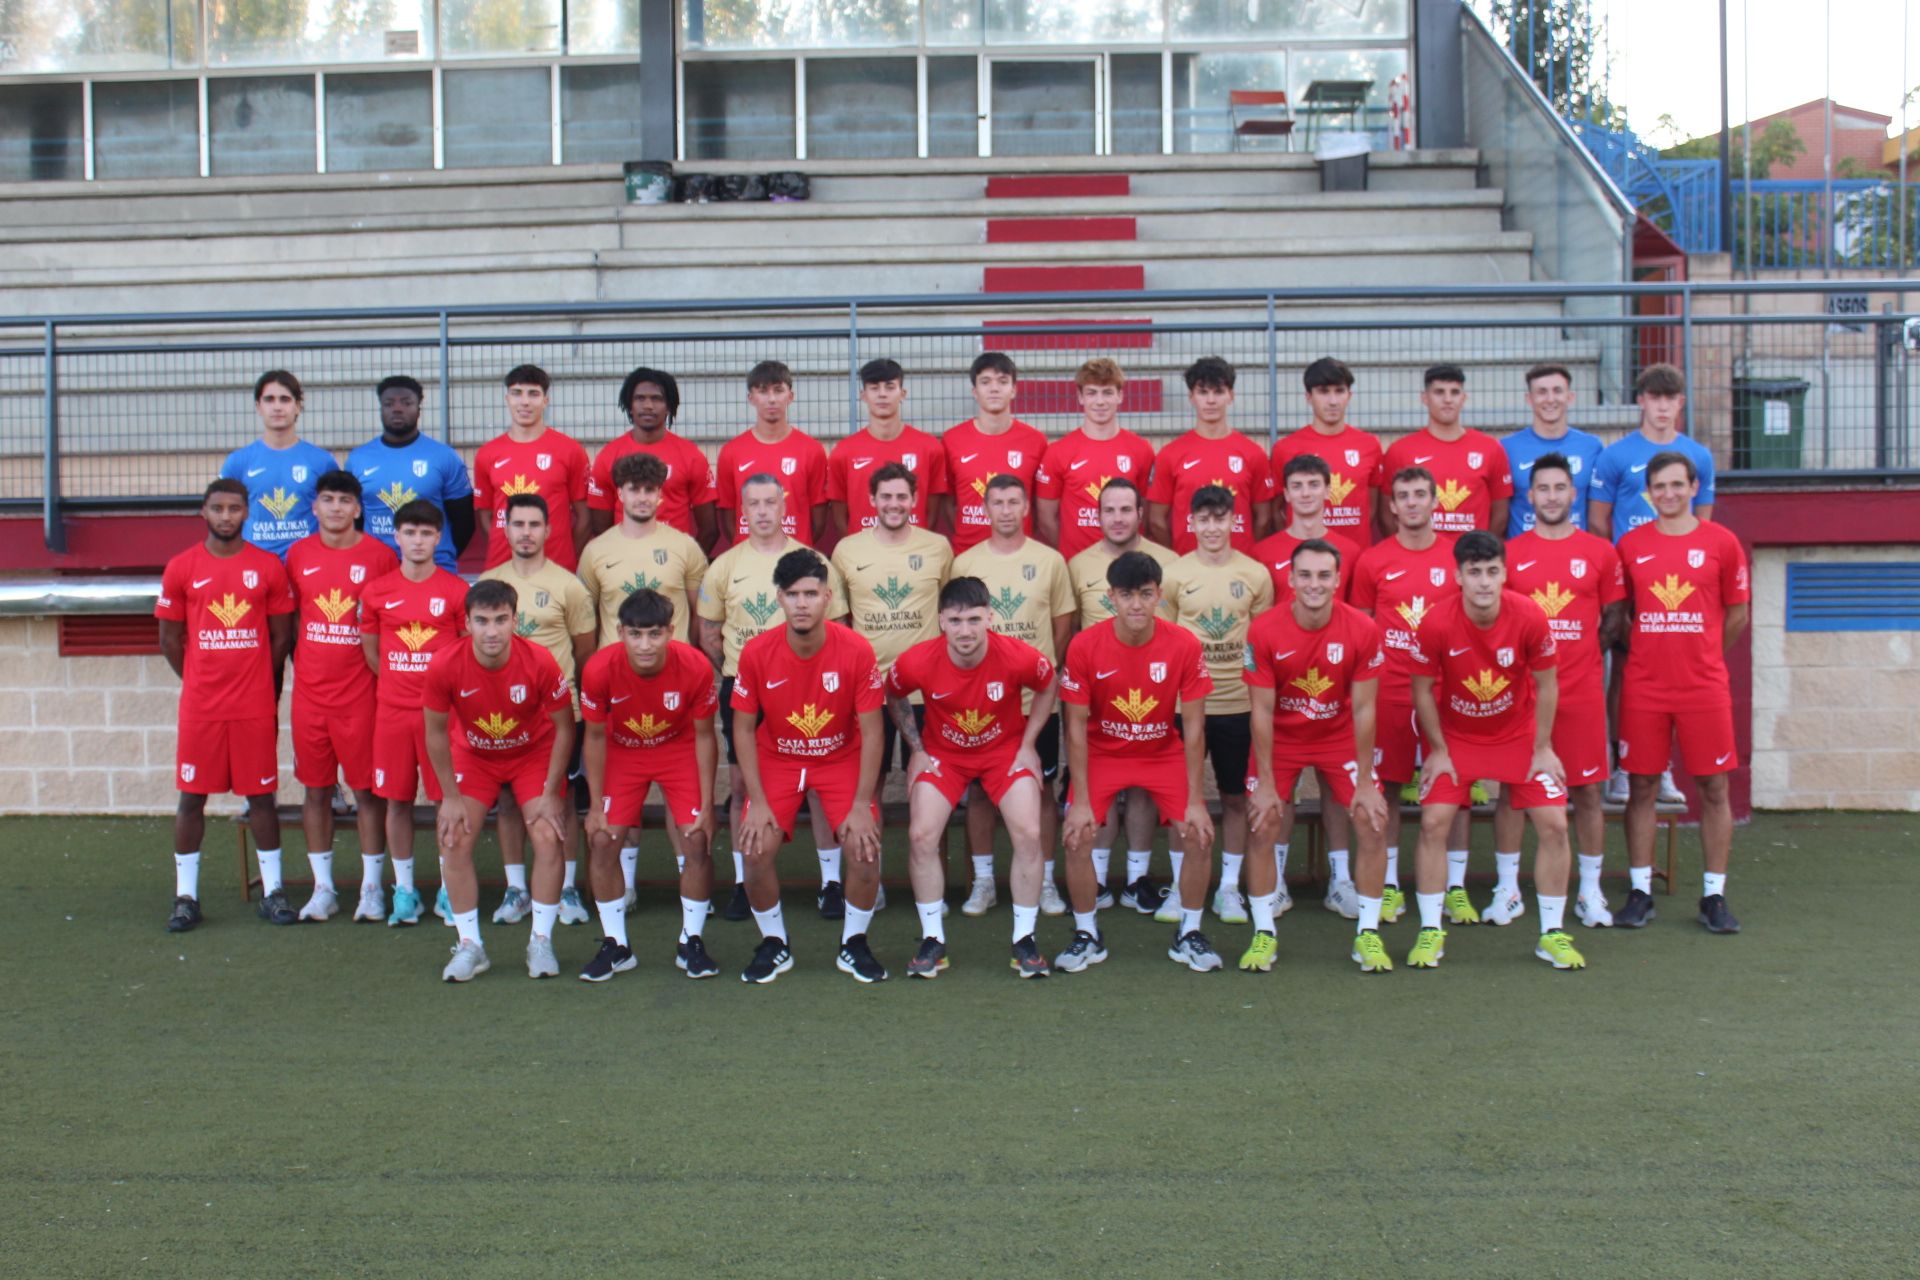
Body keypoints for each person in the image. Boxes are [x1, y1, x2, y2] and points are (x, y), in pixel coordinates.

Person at [1408, 531, 1585, 971]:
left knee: (1555, 824)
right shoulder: (1435, 622)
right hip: (1458, 739)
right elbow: (1422, 690)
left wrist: (1543, 748)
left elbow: (1547, 684)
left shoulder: (1529, 616)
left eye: (1492, 572)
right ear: (1458, 577)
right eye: (1474, 573)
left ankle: (1552, 934)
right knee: (1433, 822)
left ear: (1505, 574)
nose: (1484, 582)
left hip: (1518, 736)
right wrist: (1438, 750)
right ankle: (1431, 931)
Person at [885, 578, 1059, 979]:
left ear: (990, 618)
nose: (965, 630)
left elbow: (1049, 686)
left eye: (974, 619)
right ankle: (932, 941)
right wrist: (917, 750)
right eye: (956, 620)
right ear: (942, 621)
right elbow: (893, 693)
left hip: (1003, 753)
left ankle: (1025, 940)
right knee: (921, 836)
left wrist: (1029, 744)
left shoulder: (1016, 656)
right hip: (945, 756)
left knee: (1029, 833)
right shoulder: (917, 660)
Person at [1056, 551, 1217, 974]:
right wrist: (1083, 802)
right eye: (1126, 595)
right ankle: (1088, 933)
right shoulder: (1085, 645)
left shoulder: (1183, 644)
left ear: (1159, 595)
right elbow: (1074, 728)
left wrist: (1197, 800)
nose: (1136, 605)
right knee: (1076, 833)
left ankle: (1190, 933)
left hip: (1162, 752)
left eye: (1145, 595)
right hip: (1104, 753)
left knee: (1199, 833)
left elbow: (1196, 730)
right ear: (1110, 597)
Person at [697, 475, 848, 923]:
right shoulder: (724, 565)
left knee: (819, 785)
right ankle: (745, 882)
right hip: (745, 688)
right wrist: (752, 670)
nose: (762, 511)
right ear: (741, 511)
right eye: (753, 504)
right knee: (742, 784)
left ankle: (831, 884)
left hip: (809, 687)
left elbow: (837, 626)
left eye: (770, 502)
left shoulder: (814, 561)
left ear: (785, 506)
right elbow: (709, 632)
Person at [732, 550, 886, 984]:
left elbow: (873, 731)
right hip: (779, 757)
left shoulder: (856, 649)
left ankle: (853, 944)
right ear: (779, 599)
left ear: (828, 598)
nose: (802, 603)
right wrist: (756, 801)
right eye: (793, 594)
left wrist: (861, 803)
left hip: (839, 757)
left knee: (864, 848)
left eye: (811, 594)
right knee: (755, 850)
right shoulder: (757, 652)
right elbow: (742, 730)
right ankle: (774, 943)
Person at [1614, 451, 1750, 934]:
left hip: (1704, 687)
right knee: (1642, 786)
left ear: (1694, 487)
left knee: (1714, 788)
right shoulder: (1630, 545)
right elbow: (1620, 615)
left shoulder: (1722, 543)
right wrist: (1651, 648)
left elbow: (1736, 614)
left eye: (1677, 485)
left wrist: (1704, 652)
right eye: (1659, 487)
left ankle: (1713, 894)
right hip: (1646, 687)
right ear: (1648, 493)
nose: (1668, 494)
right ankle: (1640, 890)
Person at [1244, 539, 1392, 972]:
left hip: (1337, 735)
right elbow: (1262, 711)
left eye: (1323, 575)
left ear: (1337, 579)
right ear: (1290, 580)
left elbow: (1365, 708)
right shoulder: (1265, 630)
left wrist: (1365, 782)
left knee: (1371, 819)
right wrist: (1267, 783)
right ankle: (1263, 933)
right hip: (1284, 736)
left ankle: (1367, 933)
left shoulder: (1363, 630)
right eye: (1305, 575)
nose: (1314, 584)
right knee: (1262, 822)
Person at [155, 479, 296, 932]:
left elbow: (280, 636)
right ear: (204, 512)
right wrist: (199, 678)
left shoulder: (267, 567)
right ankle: (186, 897)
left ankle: (273, 892)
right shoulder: (181, 567)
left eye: (234, 508)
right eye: (218, 508)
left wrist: (254, 677)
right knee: (191, 798)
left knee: (261, 798)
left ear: (247, 512)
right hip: (202, 707)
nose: (226, 515)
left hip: (253, 705)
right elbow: (170, 639)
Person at [422, 580, 576, 982]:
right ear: (467, 623)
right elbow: (435, 733)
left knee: (547, 835)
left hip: (531, 754)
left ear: (515, 620)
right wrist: (450, 797)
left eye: (501, 620)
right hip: (474, 756)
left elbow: (564, 728)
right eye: (482, 621)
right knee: (453, 836)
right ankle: (471, 945)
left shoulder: (539, 661)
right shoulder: (444, 663)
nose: (492, 631)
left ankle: (541, 941)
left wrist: (550, 792)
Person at [1499, 453, 1626, 928]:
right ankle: (1507, 890)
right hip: (1521, 698)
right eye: (1543, 489)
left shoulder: (1600, 551)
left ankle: (1589, 892)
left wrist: (1576, 661)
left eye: (1560, 488)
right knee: (1514, 792)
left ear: (1574, 495)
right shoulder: (1510, 553)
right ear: (1529, 497)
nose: (1552, 496)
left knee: (1588, 793)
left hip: (1581, 695)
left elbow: (1613, 621)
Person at [578, 589, 721, 982]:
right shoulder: (598, 669)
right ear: (619, 631)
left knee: (696, 839)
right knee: (604, 840)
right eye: (635, 634)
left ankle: (691, 941)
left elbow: (706, 737)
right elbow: (592, 738)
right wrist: (594, 806)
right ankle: (616, 945)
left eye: (654, 634)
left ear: (671, 631)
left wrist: (707, 805)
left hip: (677, 749)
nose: (645, 645)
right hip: (622, 750)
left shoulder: (695, 666)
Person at [951, 476, 1076, 918]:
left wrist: (1038, 669)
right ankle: (984, 881)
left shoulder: (1050, 561)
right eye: (997, 503)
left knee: (1041, 789)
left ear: (1026, 507)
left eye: (1013, 502)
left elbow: (1061, 627)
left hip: (1034, 704)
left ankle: (1043, 881)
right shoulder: (966, 562)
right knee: (981, 793)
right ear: (984, 509)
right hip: (982, 704)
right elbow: (957, 628)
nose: (1005, 510)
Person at [830, 462, 953, 913]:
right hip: (868, 696)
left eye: (903, 497)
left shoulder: (938, 547)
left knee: (930, 787)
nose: (895, 504)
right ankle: (871, 879)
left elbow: (948, 614)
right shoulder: (846, 550)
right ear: (872, 500)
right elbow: (841, 624)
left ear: (914, 500)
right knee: (869, 789)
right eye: (887, 497)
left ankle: (933, 888)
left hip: (926, 693)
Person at [1591, 362, 1714, 806]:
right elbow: (1599, 522)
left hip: (1679, 587)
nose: (1661, 407)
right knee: (1625, 671)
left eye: (1670, 399)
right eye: (1653, 398)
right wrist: (1619, 579)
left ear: (1680, 404)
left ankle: (1662, 768)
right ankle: (1624, 764)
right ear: (1641, 401)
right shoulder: (1616, 455)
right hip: (1632, 583)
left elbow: (1704, 527)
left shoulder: (1698, 456)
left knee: (1675, 673)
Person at [1348, 467, 1464, 927]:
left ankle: (1453, 886)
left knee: (1451, 787)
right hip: (1391, 690)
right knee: (1388, 787)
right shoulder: (1373, 561)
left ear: (1436, 502)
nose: (1412, 502)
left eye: (1421, 494)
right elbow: (1360, 629)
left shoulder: (1457, 558)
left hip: (1444, 691)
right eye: (1403, 496)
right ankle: (1390, 881)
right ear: (1391, 506)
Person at [1061, 476, 1179, 914]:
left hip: (1155, 698)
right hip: (1098, 699)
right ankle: (1096, 877)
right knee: (1096, 788)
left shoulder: (1168, 562)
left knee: (1145, 790)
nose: (1117, 518)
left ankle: (1137, 879)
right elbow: (1072, 631)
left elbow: (1175, 632)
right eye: (1108, 510)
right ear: (1097, 516)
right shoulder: (1076, 565)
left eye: (1125, 510)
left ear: (1139, 515)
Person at [284, 469, 397, 923]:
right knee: (315, 791)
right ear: (314, 506)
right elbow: (291, 622)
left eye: (343, 500)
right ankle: (324, 888)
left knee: (368, 792)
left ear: (357, 509)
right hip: (310, 696)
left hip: (361, 696)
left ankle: (372, 888)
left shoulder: (380, 556)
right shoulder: (296, 555)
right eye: (327, 499)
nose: (335, 507)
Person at [481, 493, 598, 930]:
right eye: (518, 524)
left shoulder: (568, 585)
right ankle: (517, 889)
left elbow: (584, 654)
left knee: (561, 799)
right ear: (505, 529)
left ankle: (566, 887)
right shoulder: (488, 584)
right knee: (508, 800)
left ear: (548, 531)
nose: (526, 533)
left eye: (535, 524)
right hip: (502, 718)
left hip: (557, 716)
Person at [1160, 485, 1274, 929]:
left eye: (1220, 519)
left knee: (1233, 797)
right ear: (1191, 523)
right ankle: (1177, 884)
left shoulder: (1255, 574)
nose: (1212, 528)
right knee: (1182, 798)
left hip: (1237, 705)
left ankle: (1228, 887)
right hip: (1185, 707)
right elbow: (1166, 646)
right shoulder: (1173, 575)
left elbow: (1261, 644)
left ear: (1234, 522)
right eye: (1203, 520)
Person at [358, 500, 468, 926]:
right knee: (396, 802)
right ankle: (404, 891)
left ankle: (446, 887)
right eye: (410, 533)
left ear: (438, 538)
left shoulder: (455, 590)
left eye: (426, 533)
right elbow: (372, 653)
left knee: (446, 801)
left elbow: (463, 652)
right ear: (397, 536)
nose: (418, 541)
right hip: (392, 714)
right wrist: (400, 682)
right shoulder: (377, 591)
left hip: (441, 718)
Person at [346, 375, 476, 572]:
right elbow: (354, 520)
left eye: (406, 403)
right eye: (389, 403)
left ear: (419, 409)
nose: (397, 408)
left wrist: (438, 555)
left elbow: (464, 520)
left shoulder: (444, 456)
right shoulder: (358, 459)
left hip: (434, 567)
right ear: (381, 408)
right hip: (376, 569)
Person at [1146, 356, 1276, 555]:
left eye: (1219, 392)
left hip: (1239, 567)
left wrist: (1246, 553)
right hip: (1188, 568)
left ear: (1231, 396)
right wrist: (1179, 557)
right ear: (1191, 396)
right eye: (1203, 392)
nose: (1211, 400)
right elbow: (1156, 520)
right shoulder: (1170, 454)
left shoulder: (1253, 453)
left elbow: (1264, 518)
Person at [578, 452, 709, 647]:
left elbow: (703, 614)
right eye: (634, 490)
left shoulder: (685, 546)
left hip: (672, 666)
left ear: (659, 494)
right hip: (616, 668)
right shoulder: (595, 551)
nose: (642, 498)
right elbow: (586, 620)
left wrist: (686, 656)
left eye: (649, 490)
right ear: (620, 493)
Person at [1035, 358, 1156, 562]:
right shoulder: (1058, 451)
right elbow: (1046, 518)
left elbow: (1145, 512)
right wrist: (1075, 556)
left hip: (1128, 563)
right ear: (1080, 397)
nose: (1100, 401)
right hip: (1077, 564)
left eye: (1107, 392)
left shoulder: (1141, 449)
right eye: (1092, 393)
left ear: (1120, 396)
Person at [472, 364, 591, 571]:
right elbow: (485, 517)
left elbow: (584, 516)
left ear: (545, 401)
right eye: (517, 393)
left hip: (555, 568)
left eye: (533, 394)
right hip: (502, 569)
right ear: (507, 399)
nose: (525, 402)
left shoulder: (570, 450)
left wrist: (565, 555)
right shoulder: (487, 453)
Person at [586, 367, 717, 546]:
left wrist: (687, 565)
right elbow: (600, 528)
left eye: (657, 399)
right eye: (640, 398)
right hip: (624, 562)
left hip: (675, 566)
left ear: (669, 406)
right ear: (629, 405)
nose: (648, 405)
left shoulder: (691, 455)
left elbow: (709, 528)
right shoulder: (608, 456)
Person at [1378, 364, 1512, 539]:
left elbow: (1500, 514)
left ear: (1464, 398)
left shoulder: (1490, 448)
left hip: (1471, 561)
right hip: (1421, 560)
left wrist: (1480, 550)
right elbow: (1387, 515)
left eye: (1455, 392)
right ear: (1425, 398)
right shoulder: (1400, 451)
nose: (1448, 399)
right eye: (1439, 392)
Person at [219, 370, 342, 558]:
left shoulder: (322, 461)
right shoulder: (238, 462)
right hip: (255, 565)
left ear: (298, 407)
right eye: (269, 399)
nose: (277, 407)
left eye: (284, 399)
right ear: (258, 406)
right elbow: (222, 516)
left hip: (307, 563)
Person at [713, 360, 830, 547]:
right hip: (748, 561)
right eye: (763, 391)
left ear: (790, 396)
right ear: (751, 397)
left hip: (795, 561)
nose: (772, 399)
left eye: (778, 390)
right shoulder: (731, 452)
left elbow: (819, 521)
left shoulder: (812, 450)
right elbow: (728, 518)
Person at [941, 351, 1047, 554]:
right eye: (986, 382)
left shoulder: (1035, 441)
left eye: (1002, 381)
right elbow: (949, 504)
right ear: (975, 391)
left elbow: (1039, 504)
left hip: (1020, 556)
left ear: (1014, 390)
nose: (994, 389)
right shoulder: (952, 440)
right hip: (968, 554)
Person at [827, 359, 949, 534]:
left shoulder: (930, 447)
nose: (882, 394)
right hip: (863, 553)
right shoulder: (843, 451)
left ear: (902, 393)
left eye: (890, 387)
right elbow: (839, 514)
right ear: (863, 395)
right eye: (874, 388)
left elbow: (932, 511)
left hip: (913, 551)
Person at [1271, 357, 1382, 545]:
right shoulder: (1286, 448)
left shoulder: (1369, 445)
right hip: (1303, 559)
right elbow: (1276, 510)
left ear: (1349, 395)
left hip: (1355, 556)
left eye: (1339, 391)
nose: (1332, 401)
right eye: (1323, 392)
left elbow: (1371, 508)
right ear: (1308, 397)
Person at [1501, 363, 1603, 537]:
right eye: (1541, 392)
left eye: (1557, 391)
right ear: (1529, 398)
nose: (1550, 399)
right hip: (1524, 556)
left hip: (1575, 555)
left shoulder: (1592, 447)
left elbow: (1598, 514)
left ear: (1570, 397)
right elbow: (1499, 515)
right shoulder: (1506, 448)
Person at [1252, 454, 1361, 605]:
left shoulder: (1351, 552)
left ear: (1327, 490)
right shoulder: (1262, 553)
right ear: (1286, 494)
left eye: (1314, 484)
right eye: (1297, 486)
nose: (1305, 494)